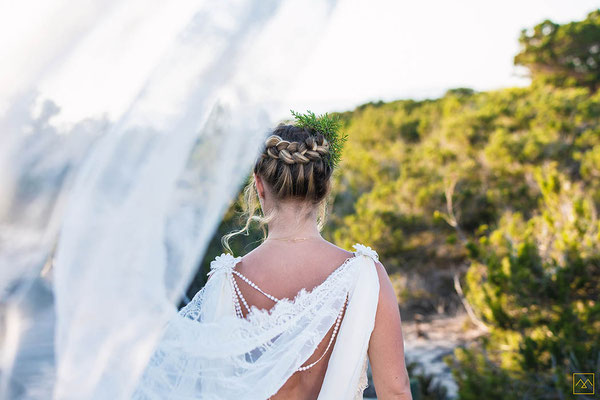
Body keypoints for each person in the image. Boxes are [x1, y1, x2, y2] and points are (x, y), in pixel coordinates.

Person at [134, 113, 412, 400]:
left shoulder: (227, 282)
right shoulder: (366, 276)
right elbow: (397, 392)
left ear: (259, 185)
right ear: (326, 187)